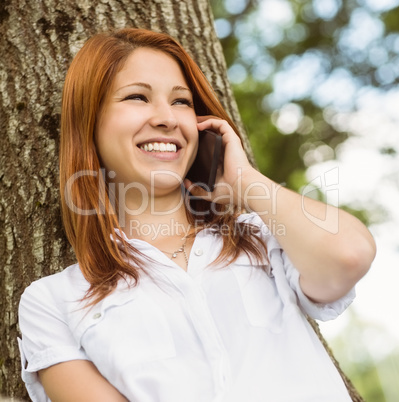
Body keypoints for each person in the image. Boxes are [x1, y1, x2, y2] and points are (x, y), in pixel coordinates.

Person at [18, 28, 376, 402]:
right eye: (137, 97)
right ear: (89, 123)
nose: (166, 118)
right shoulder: (53, 302)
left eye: (182, 102)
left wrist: (244, 181)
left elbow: (348, 254)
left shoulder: (262, 237)